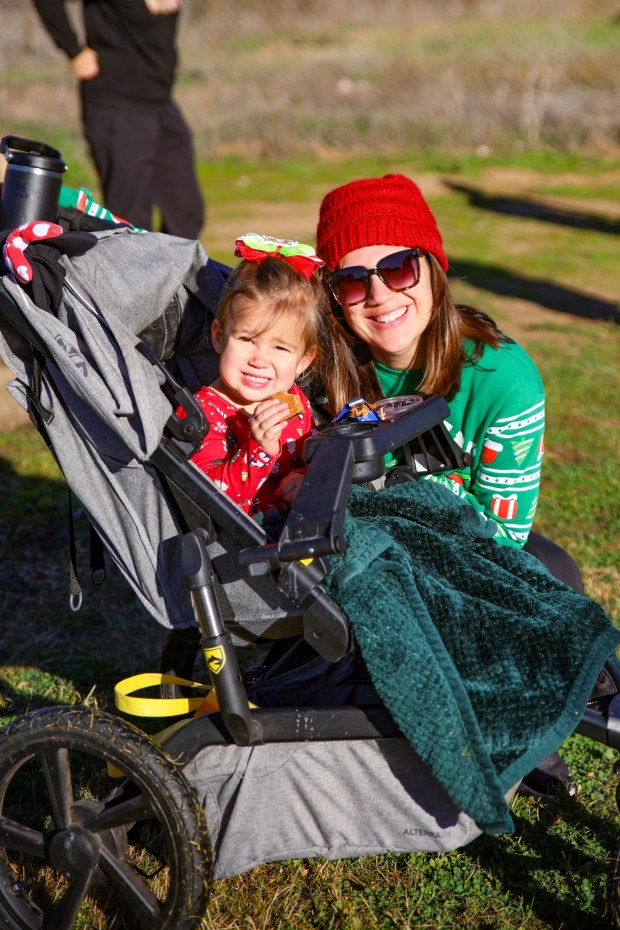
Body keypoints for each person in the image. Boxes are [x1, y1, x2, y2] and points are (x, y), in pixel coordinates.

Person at [314, 172, 590, 794]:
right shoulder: (321, 363)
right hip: (357, 556)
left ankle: (526, 723)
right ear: (332, 295)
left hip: (463, 552)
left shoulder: (502, 378)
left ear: (434, 269)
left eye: (399, 269)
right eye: (353, 280)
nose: (379, 296)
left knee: (554, 573)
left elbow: (503, 537)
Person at [31, 0, 204, 238]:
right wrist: (73, 50)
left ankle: (175, 263)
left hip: (160, 103)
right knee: (131, 223)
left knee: (186, 213)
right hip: (117, 103)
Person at [184, 233, 325, 517]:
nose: (259, 360)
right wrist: (258, 449)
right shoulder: (203, 414)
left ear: (303, 361)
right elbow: (209, 496)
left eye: (280, 348)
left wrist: (304, 476)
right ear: (219, 337)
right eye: (247, 340)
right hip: (251, 533)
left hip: (302, 522)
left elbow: (315, 452)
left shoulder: (292, 399)